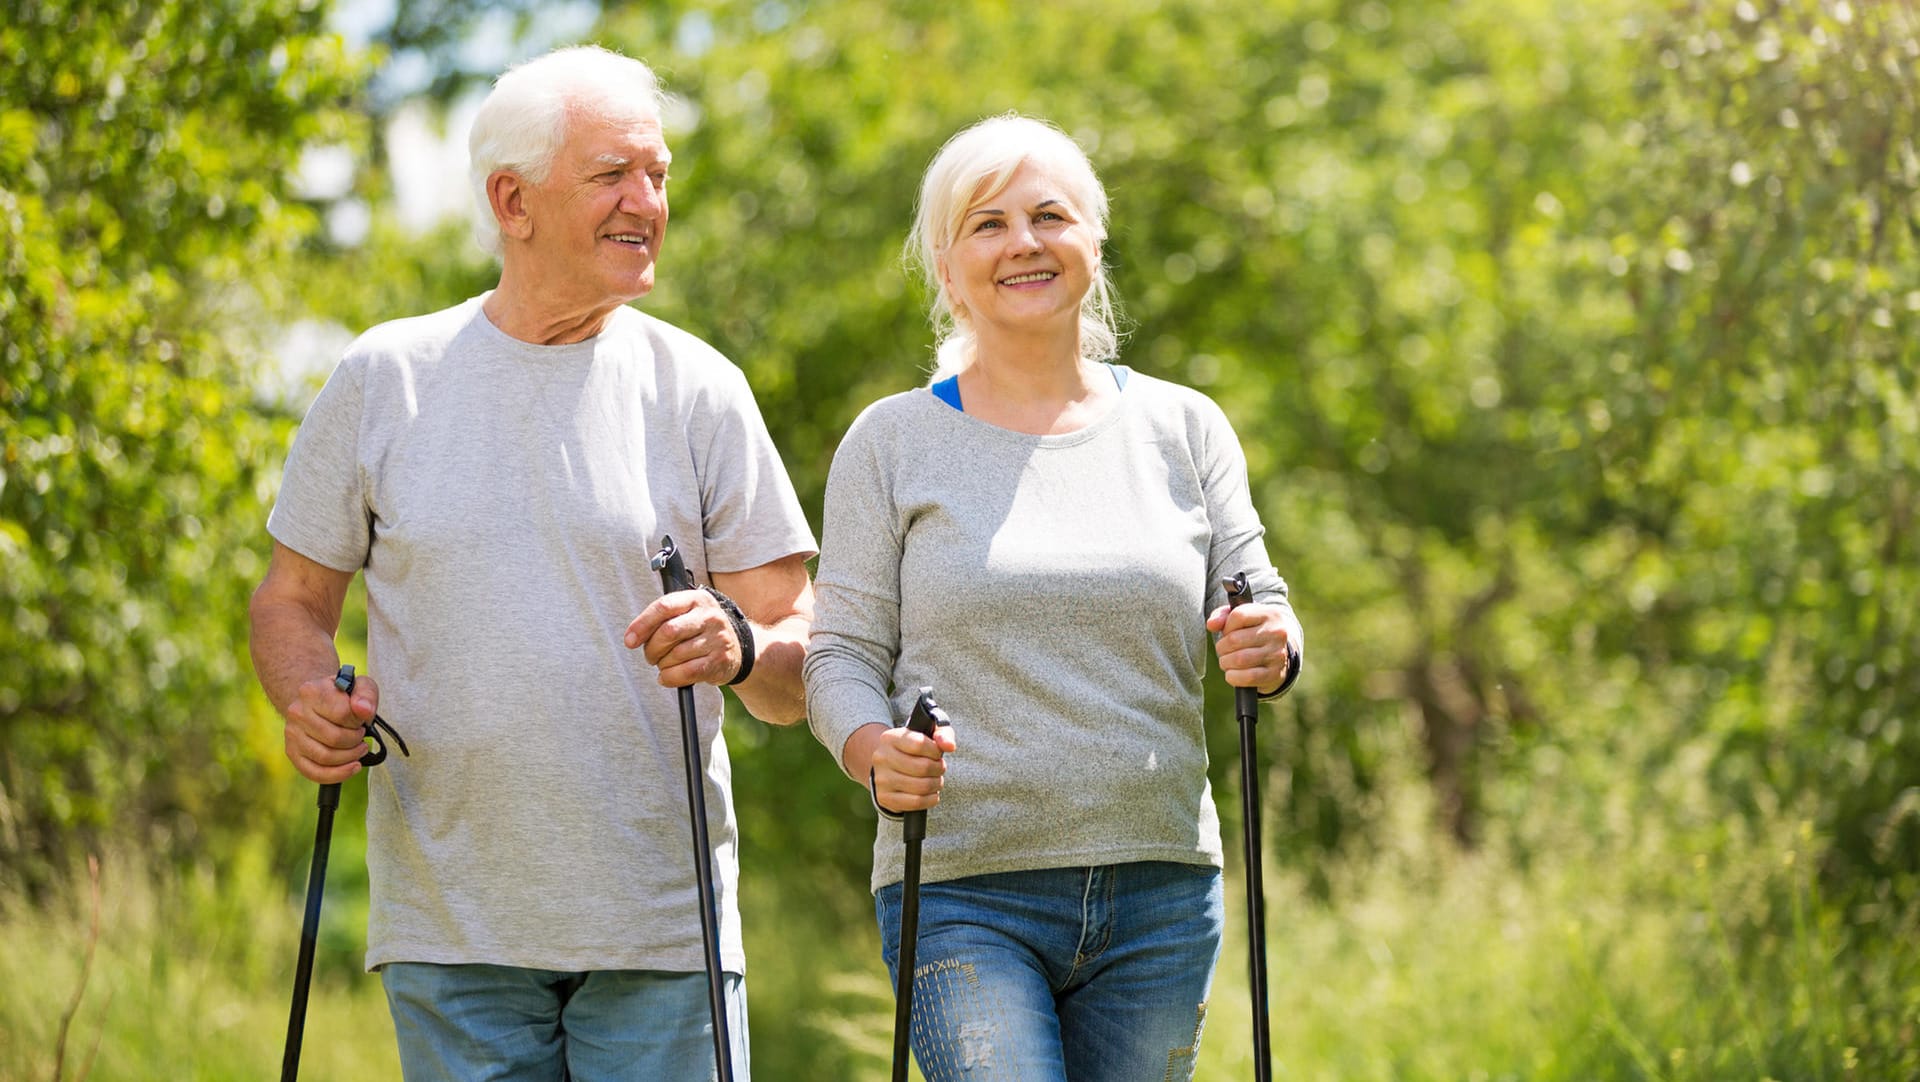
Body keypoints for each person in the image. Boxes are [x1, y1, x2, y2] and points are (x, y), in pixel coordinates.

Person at [248, 45, 815, 1081]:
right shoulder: (385, 378)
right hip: (451, 935)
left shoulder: (700, 388)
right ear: (513, 199)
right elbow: (291, 600)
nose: (648, 200)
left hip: (663, 935)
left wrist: (739, 643)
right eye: (612, 175)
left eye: (659, 173)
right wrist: (306, 697)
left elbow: (799, 661)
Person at [803, 113, 1304, 1081]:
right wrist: (872, 750)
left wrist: (1270, 644)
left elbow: (1263, 603)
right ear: (946, 269)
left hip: (1159, 885)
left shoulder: (1184, 426)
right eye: (987, 224)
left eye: (1049, 216)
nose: (1023, 242)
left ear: (1093, 240)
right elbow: (841, 655)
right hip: (960, 887)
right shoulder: (891, 441)